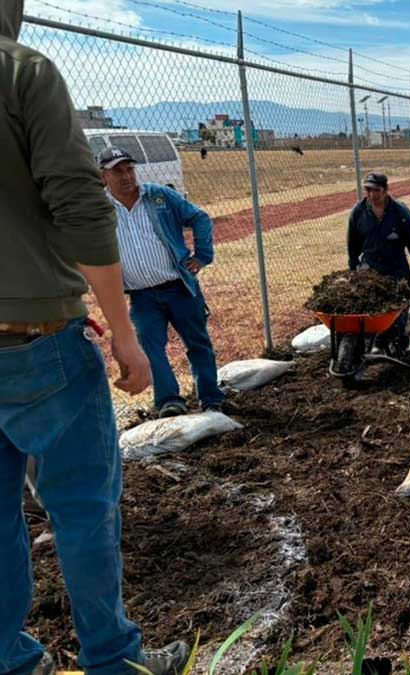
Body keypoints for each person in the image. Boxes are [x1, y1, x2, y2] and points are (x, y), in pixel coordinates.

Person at [1, 3, 191, 673]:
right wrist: (125, 333)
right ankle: (113, 659)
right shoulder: (21, 70)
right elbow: (80, 206)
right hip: (34, 337)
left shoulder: (166, 202)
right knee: (82, 507)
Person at [99, 147, 224, 418]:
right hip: (141, 297)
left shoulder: (159, 196)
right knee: (151, 349)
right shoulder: (100, 209)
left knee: (198, 342)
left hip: (179, 287)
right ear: (103, 177)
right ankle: (170, 402)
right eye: (117, 171)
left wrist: (201, 256)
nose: (126, 176)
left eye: (129, 169)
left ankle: (212, 398)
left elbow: (199, 218)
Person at [347, 172, 410, 354]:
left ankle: (393, 338)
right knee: (368, 310)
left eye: (375, 190)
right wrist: (353, 268)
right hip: (369, 270)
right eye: (367, 190)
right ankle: (370, 341)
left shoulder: (401, 213)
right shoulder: (358, 213)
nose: (371, 194)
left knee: (398, 313)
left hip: (396, 268)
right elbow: (353, 244)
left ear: (385, 190)